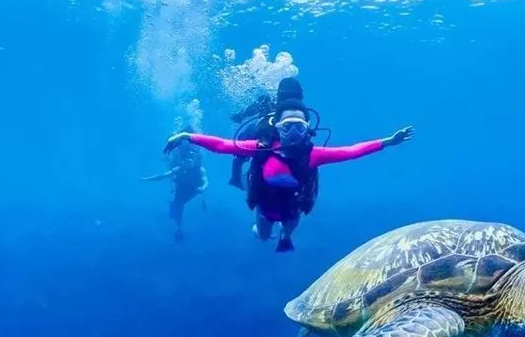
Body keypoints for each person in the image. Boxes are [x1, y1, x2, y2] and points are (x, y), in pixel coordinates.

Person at [164, 102, 414, 252]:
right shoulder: (260, 147)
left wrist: (388, 142)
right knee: (262, 235)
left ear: (307, 130)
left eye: (299, 127)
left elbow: (351, 151)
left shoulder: (314, 154)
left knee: (288, 232)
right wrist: (187, 137)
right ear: (277, 129)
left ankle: (284, 236)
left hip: (293, 208)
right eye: (287, 127)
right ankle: (261, 231)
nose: (293, 133)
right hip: (264, 209)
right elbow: (222, 145)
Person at [227, 77, 304, 189]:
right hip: (263, 132)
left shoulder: (300, 110)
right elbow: (251, 109)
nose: (290, 102)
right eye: (286, 98)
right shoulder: (267, 100)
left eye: (296, 98)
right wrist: (240, 115)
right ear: (278, 97)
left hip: (284, 135)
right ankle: (236, 177)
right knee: (243, 139)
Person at [143, 127, 209, 240]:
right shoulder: (180, 168)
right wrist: (147, 179)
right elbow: (163, 176)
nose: (188, 161)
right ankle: (179, 228)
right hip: (182, 187)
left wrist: (202, 189)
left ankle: (179, 225)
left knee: (178, 203)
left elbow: (206, 181)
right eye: (187, 160)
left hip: (194, 189)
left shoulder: (200, 169)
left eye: (191, 160)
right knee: (177, 204)